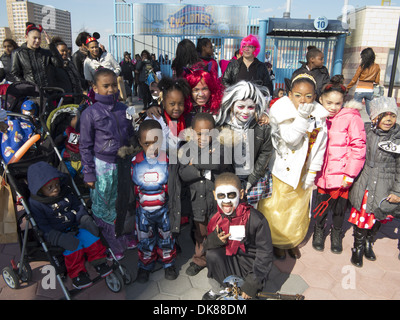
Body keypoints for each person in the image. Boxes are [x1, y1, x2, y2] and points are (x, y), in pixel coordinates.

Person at [258, 73, 329, 260]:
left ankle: (291, 241)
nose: (303, 100)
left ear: (315, 96)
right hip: (283, 170)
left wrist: (313, 171)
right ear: (290, 95)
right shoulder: (281, 112)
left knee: (297, 209)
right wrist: (302, 118)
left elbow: (320, 146)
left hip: (304, 171)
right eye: (298, 95)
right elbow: (290, 138)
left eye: (308, 96)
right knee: (277, 208)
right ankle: (275, 241)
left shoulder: (320, 116)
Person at [27, 161, 112, 289]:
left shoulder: (65, 192)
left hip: (75, 225)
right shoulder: (37, 204)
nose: (56, 188)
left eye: (57, 184)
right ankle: (78, 274)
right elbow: (43, 226)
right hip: (59, 234)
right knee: (74, 247)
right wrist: (58, 238)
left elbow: (77, 206)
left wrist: (83, 218)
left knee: (92, 238)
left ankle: (99, 262)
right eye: (50, 187)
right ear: (39, 190)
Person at [79, 68, 135, 260]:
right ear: (94, 87)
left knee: (124, 202)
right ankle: (110, 243)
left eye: (113, 85)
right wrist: (89, 173)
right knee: (105, 206)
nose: (111, 89)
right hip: (103, 168)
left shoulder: (124, 109)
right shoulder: (89, 113)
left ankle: (124, 234)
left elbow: (130, 134)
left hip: (124, 163)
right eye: (106, 86)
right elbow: (85, 146)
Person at [312, 75, 366, 253]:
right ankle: (318, 231)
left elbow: (358, 147)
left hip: (342, 174)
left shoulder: (351, 117)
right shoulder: (317, 116)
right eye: (329, 103)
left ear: (343, 102)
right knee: (321, 205)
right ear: (321, 100)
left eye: (337, 103)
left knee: (339, 210)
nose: (333, 107)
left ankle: (336, 233)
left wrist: (350, 174)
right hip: (322, 174)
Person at [175, 113, 233, 276]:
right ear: (192, 132)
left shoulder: (222, 147)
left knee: (219, 232)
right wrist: (202, 167)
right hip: (197, 202)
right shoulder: (186, 148)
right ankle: (200, 259)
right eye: (199, 133)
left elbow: (216, 163)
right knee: (200, 233)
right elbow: (184, 173)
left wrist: (196, 162)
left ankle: (218, 261)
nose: (203, 137)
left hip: (217, 203)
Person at [202, 172, 273, 300]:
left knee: (247, 293)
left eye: (231, 195)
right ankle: (219, 289)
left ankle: (247, 288)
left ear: (240, 194)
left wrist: (252, 283)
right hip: (230, 261)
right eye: (221, 195)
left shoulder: (256, 219)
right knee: (212, 254)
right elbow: (206, 245)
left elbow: (265, 253)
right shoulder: (215, 218)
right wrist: (215, 240)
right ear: (214, 195)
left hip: (251, 267)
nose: (226, 200)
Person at [348, 96, 400, 268]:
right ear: (374, 117)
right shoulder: (366, 131)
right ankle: (358, 247)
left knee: (378, 216)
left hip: (385, 185)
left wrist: (397, 191)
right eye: (384, 116)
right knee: (363, 217)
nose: (388, 120)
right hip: (366, 182)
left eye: (392, 116)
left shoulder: (397, 138)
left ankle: (370, 242)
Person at [132, 119, 178, 283]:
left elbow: (174, 185)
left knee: (167, 237)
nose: (151, 147)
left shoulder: (168, 160)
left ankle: (168, 263)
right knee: (145, 239)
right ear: (140, 142)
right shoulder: (134, 162)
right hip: (144, 212)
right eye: (146, 143)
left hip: (164, 209)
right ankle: (145, 265)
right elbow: (129, 189)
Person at [215, 80, 273, 201]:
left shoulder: (262, 126)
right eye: (241, 106)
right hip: (229, 180)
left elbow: (265, 152)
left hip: (255, 180)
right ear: (231, 105)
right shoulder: (221, 126)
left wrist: (252, 179)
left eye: (251, 107)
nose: (245, 112)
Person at [143, 76, 192, 153]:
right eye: (172, 104)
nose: (177, 108)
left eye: (180, 104)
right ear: (164, 103)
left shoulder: (185, 120)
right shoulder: (155, 119)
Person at [10, 22, 64, 88]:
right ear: (26, 37)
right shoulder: (18, 53)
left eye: (39, 38)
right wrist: (25, 86)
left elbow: (59, 64)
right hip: (31, 93)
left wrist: (51, 46)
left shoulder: (46, 53)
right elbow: (15, 74)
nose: (37, 41)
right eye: (34, 38)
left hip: (49, 92)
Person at [346, 47, 381, 116]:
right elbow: (377, 81)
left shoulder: (362, 66)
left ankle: (355, 122)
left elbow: (354, 79)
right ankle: (373, 124)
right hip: (370, 91)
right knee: (370, 110)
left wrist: (348, 88)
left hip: (360, 90)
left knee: (355, 109)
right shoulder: (377, 66)